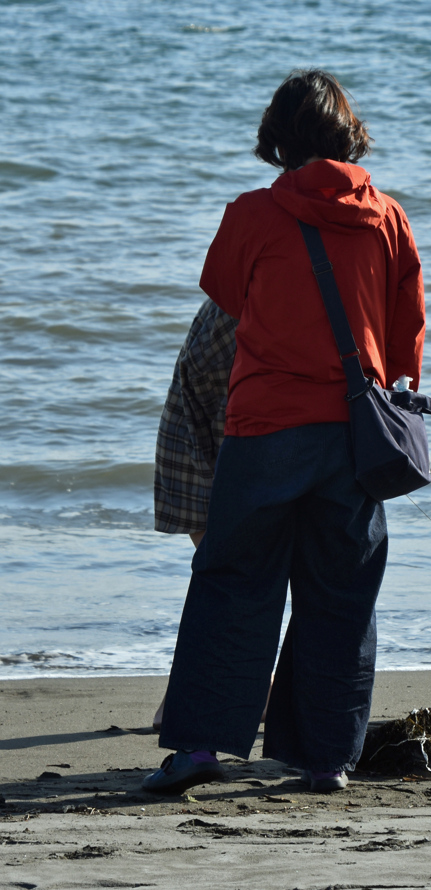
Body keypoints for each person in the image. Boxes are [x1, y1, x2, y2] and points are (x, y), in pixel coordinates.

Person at [143, 69, 426, 794]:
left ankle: (202, 747)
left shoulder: (250, 214)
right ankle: (326, 758)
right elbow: (405, 340)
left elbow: (230, 299)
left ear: (278, 138)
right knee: (342, 593)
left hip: (263, 429)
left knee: (233, 585)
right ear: (348, 135)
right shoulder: (389, 217)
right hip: (352, 437)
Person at [152, 296, 236, 730]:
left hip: (206, 438)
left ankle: (185, 702)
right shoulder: (237, 311)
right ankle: (179, 704)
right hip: (200, 445)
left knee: (228, 579)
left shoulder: (235, 301)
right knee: (225, 577)